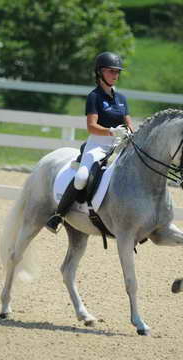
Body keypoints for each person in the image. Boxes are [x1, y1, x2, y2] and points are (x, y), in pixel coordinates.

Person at [45, 51, 134, 234]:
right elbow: (92, 127)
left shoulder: (122, 99)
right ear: (100, 72)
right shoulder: (94, 97)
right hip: (98, 145)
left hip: (119, 145)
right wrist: (110, 131)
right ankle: (59, 215)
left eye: (117, 72)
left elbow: (129, 123)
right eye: (111, 71)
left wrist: (131, 133)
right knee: (81, 177)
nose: (115, 75)